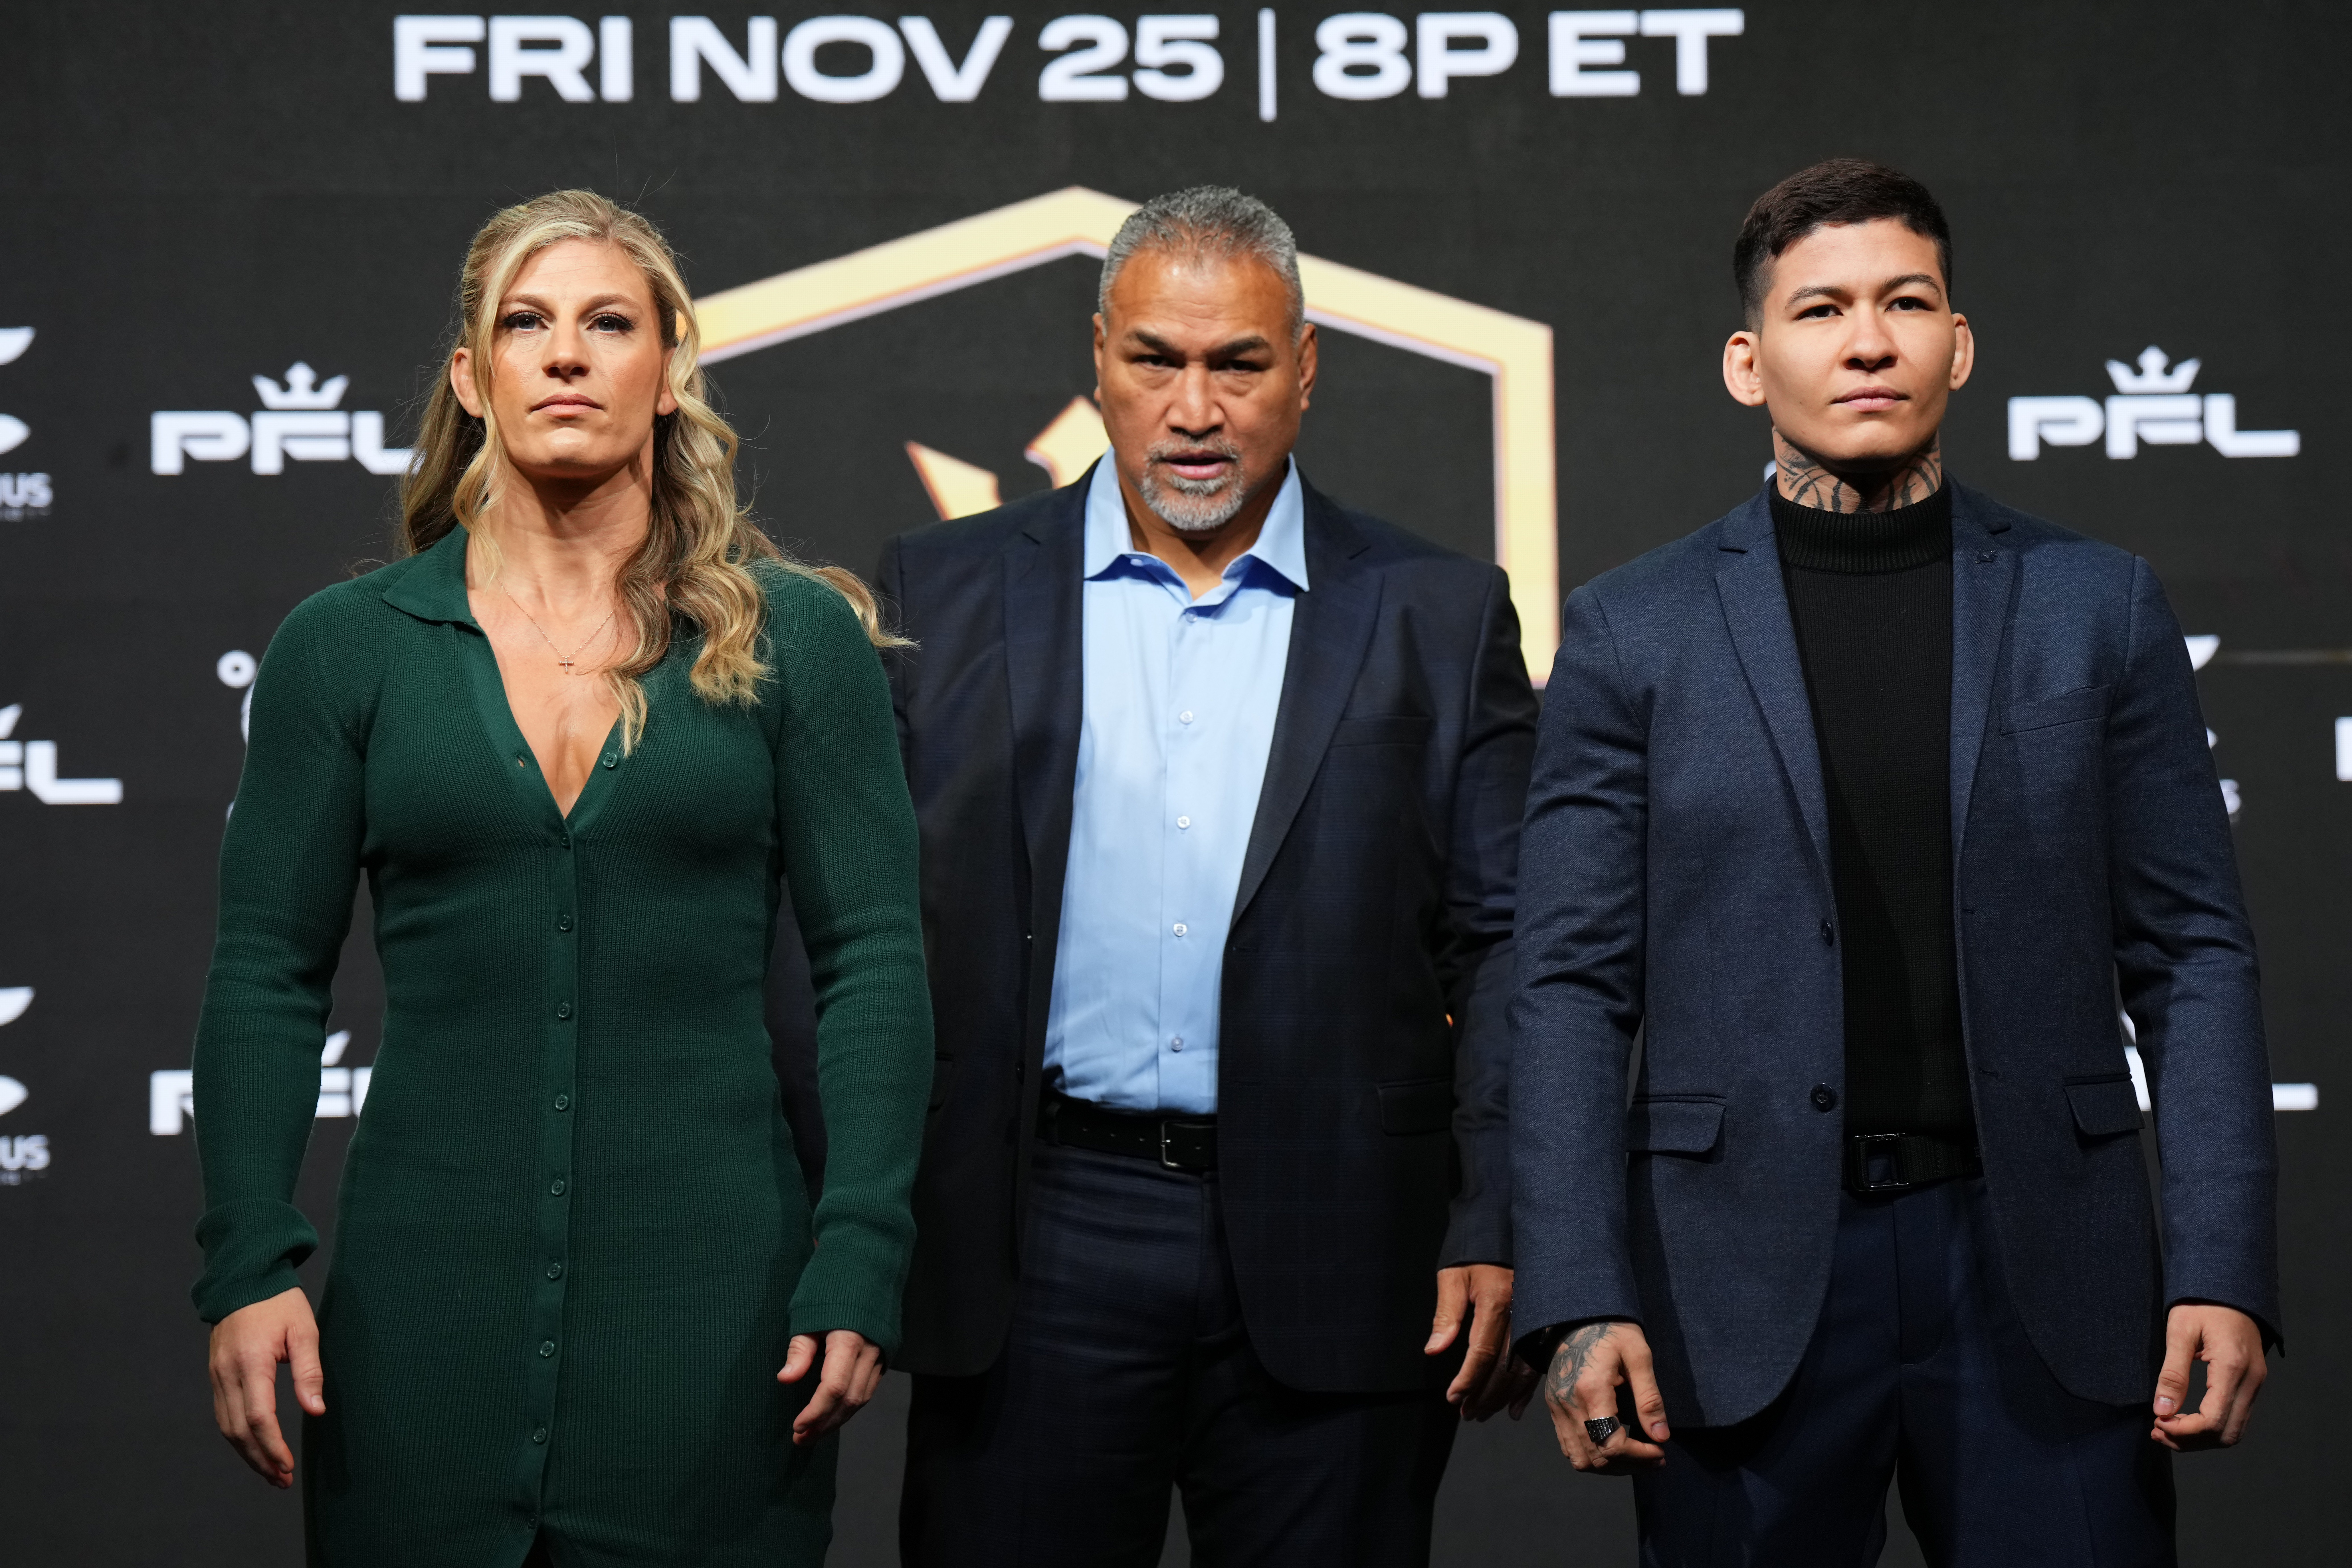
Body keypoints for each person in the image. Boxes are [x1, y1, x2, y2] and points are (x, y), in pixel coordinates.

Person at [1510, 159, 2279, 1564]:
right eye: (1820, 310)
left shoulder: (2094, 606)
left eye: (1904, 301)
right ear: (1751, 363)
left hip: (2042, 1267)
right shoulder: (1635, 631)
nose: (1867, 340)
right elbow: (1566, 983)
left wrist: (2225, 1266)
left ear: (1959, 344)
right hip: (1733, 1285)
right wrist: (1577, 1292)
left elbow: (2194, 952)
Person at [190, 189, 932, 1565]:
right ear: (474, 379)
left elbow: (876, 959)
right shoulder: (347, 649)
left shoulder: (797, 641)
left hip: (719, 1331)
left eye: (608, 324)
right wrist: (247, 1261)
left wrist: (864, 1247)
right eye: (525, 326)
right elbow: (266, 973)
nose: (568, 355)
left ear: (670, 368)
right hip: (420, 1332)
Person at [880, 186, 1539, 1566]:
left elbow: (1508, 947)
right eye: (1155, 362)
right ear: (1099, 361)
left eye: (1236, 363)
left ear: (1303, 369)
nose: (1195, 408)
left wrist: (1496, 1209)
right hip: (1036, 1239)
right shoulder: (935, 596)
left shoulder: (1438, 609)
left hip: (1348, 1246)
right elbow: (860, 937)